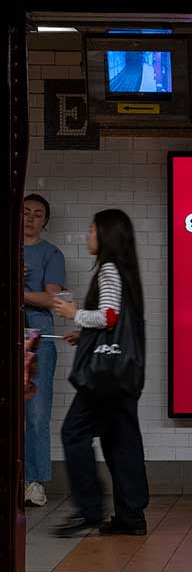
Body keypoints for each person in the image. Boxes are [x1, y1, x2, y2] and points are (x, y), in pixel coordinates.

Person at [52, 209, 149, 537]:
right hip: (123, 375)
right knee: (122, 444)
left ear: (106, 235)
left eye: (92, 230)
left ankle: (89, 510)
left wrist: (74, 313)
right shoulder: (126, 270)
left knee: (73, 432)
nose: (88, 236)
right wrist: (84, 336)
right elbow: (118, 324)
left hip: (104, 379)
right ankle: (131, 516)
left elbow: (109, 317)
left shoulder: (108, 269)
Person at [22, 194, 66, 507]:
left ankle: (33, 481)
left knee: (36, 413)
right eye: (25, 212)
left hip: (36, 337)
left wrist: (18, 289)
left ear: (45, 221)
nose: (30, 218)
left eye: (38, 214)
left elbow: (53, 299)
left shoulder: (52, 254)